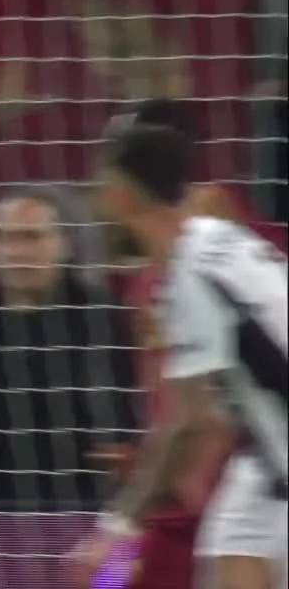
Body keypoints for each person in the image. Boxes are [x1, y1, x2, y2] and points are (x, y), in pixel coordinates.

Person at [73, 124, 288, 589]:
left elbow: (196, 422)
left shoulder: (189, 279)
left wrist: (119, 526)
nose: (96, 207)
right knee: (231, 544)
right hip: (264, 461)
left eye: (100, 190)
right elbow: (219, 417)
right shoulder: (219, 238)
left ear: (122, 196)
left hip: (277, 465)